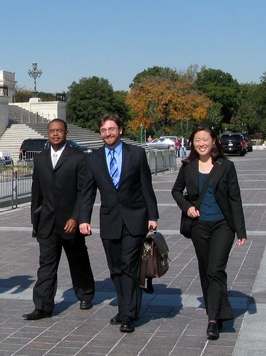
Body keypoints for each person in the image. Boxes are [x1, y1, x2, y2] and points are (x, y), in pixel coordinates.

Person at [79, 113, 159, 333]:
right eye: (104, 130)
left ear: (120, 130)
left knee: (129, 266)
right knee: (115, 268)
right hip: (110, 221)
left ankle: (128, 314)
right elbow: (87, 192)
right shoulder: (93, 158)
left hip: (135, 218)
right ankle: (125, 307)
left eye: (112, 129)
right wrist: (84, 219)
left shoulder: (137, 154)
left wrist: (153, 216)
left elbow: (146, 187)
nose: (108, 133)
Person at [171, 125, 247, 340]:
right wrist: (187, 207)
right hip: (199, 227)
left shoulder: (226, 166)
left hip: (223, 225)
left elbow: (235, 198)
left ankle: (213, 319)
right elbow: (176, 191)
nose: (201, 143)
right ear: (192, 143)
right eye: (197, 140)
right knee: (206, 270)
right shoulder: (188, 166)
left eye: (205, 139)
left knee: (215, 269)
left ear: (214, 141)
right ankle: (217, 311)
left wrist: (240, 230)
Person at [23, 119, 95, 320]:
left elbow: (83, 192)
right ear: (48, 133)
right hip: (46, 222)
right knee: (46, 265)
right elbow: (36, 192)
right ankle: (43, 306)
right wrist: (35, 221)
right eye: (52, 131)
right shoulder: (40, 158)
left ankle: (85, 294)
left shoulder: (79, 158)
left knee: (78, 260)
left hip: (70, 222)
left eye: (59, 131)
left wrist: (76, 217)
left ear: (66, 133)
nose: (55, 134)